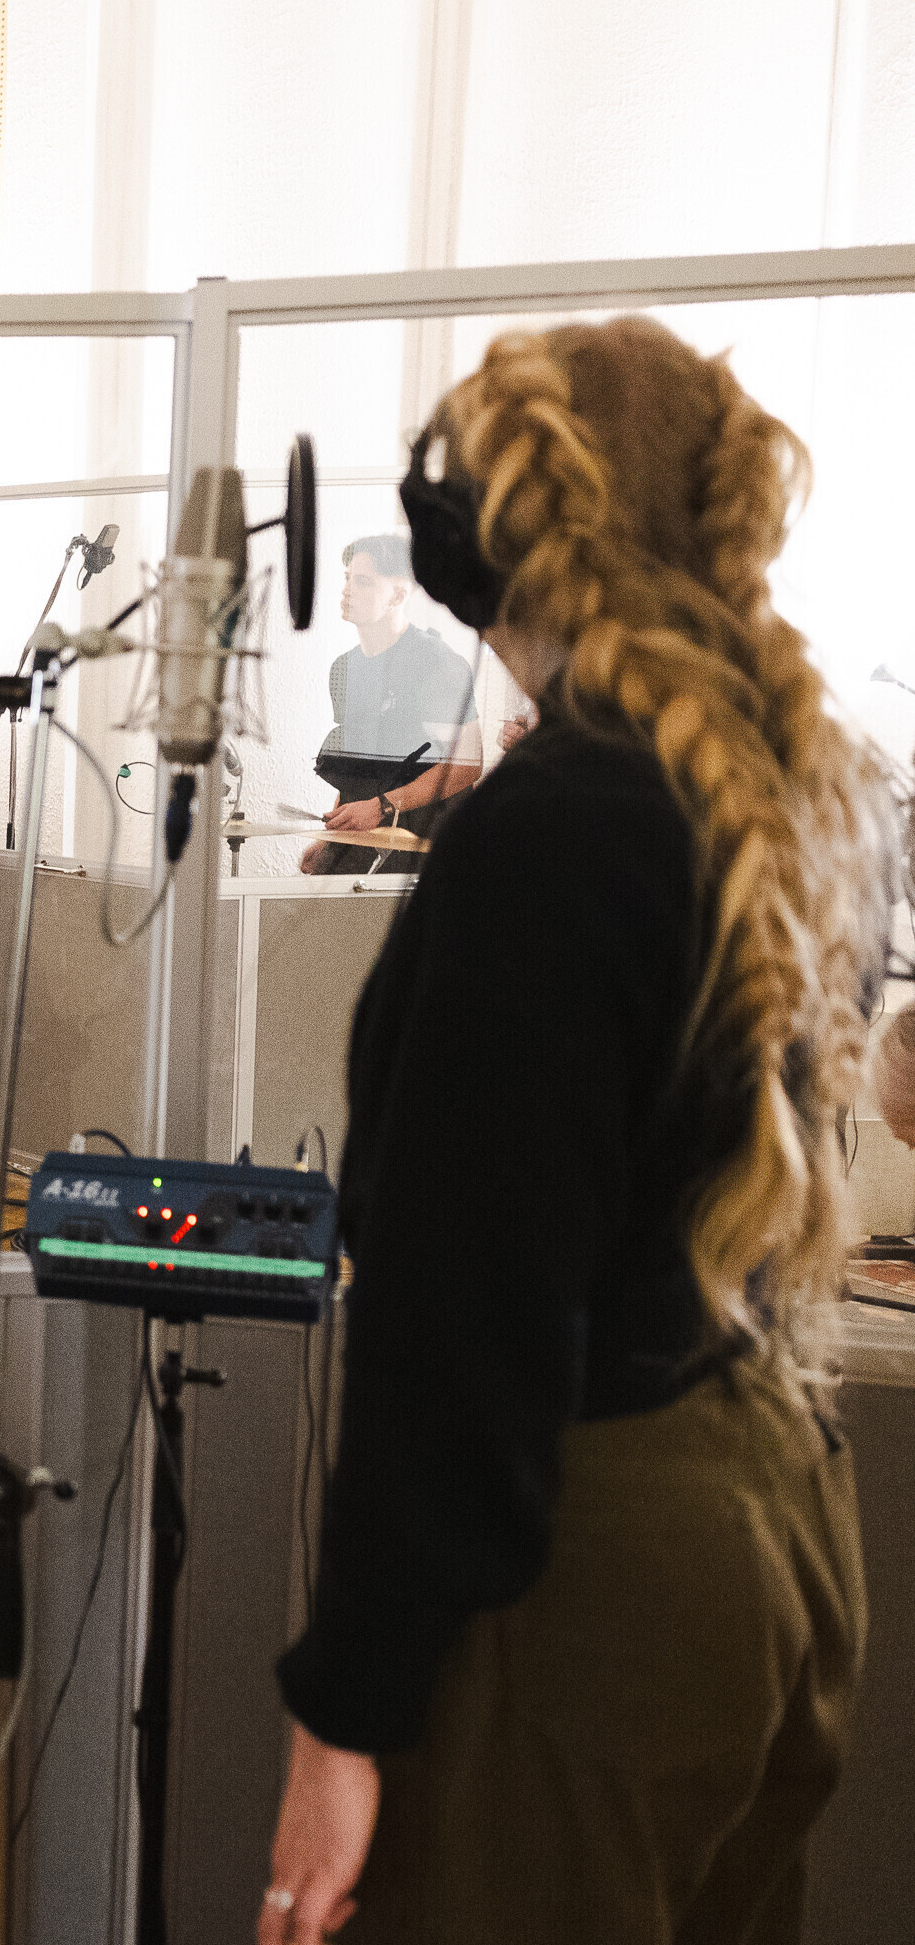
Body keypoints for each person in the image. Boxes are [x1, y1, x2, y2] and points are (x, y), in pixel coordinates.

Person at [262, 316, 880, 1945]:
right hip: (776, 1510)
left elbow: (462, 1335)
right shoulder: (809, 787)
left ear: (506, 538)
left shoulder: (554, 834)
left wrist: (343, 1720)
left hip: (593, 1560)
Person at [300, 533, 486, 876]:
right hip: (370, 843)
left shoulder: (436, 662)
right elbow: (357, 772)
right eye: (347, 578)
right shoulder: (343, 669)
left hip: (430, 849)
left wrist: (382, 806)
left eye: (363, 582)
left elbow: (466, 765)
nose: (347, 590)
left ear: (398, 595)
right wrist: (331, 841)